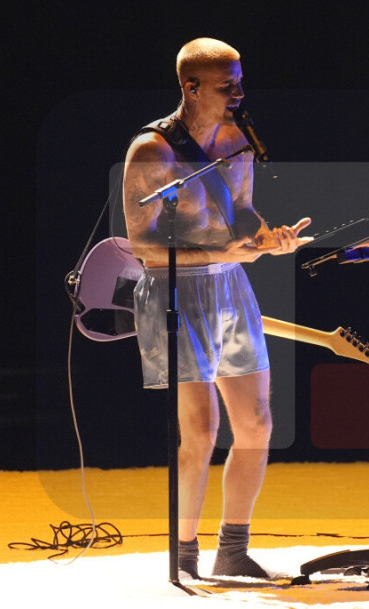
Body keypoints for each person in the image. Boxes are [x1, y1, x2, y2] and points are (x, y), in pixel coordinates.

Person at [122, 38, 310, 579]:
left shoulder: (236, 141)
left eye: (241, 81)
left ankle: (233, 549)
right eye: (228, 85)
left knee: (255, 423)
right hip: (175, 291)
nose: (239, 93)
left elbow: (243, 212)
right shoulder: (153, 151)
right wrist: (219, 253)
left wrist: (267, 239)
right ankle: (183, 555)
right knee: (201, 431)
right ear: (192, 87)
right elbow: (142, 246)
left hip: (230, 285)